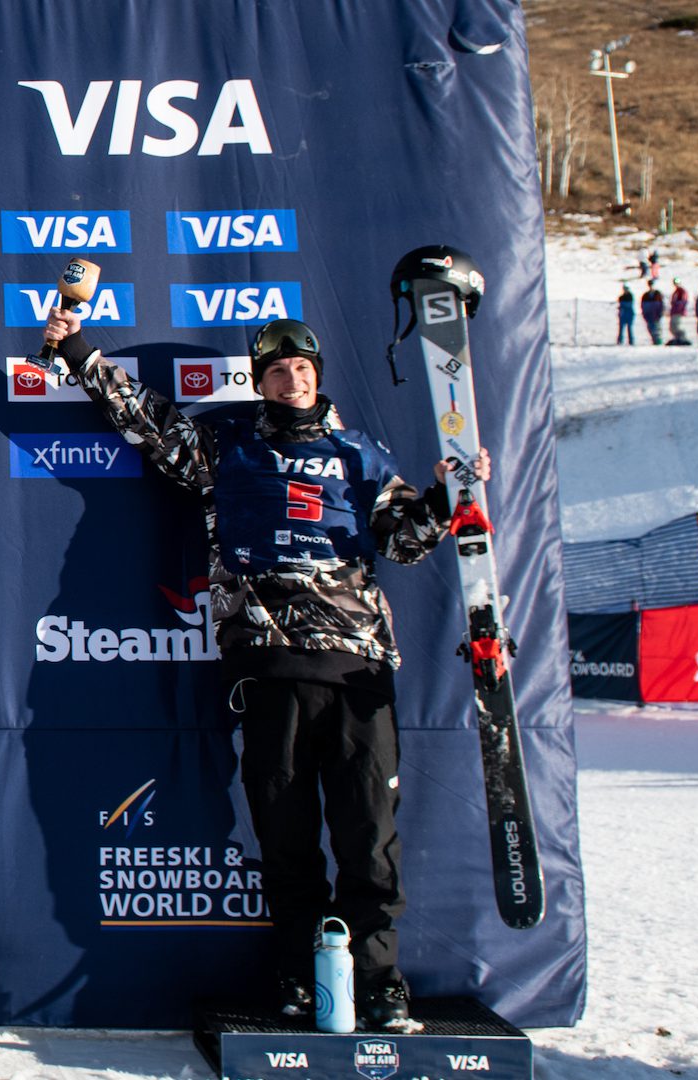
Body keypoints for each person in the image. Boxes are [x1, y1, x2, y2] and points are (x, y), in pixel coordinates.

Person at [42, 310, 492, 1035]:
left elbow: (405, 543)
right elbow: (148, 421)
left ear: (318, 377)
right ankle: (301, 973)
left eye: (303, 369)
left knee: (368, 832)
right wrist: (78, 351)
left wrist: (446, 500)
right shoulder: (227, 443)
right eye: (278, 371)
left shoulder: (358, 453)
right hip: (268, 660)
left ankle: (379, 982)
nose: (292, 380)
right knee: (284, 835)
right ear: (261, 381)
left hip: (357, 668)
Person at [668, 279, 691, 345]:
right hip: (674, 312)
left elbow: (683, 302)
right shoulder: (675, 292)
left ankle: (682, 338)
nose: (676, 284)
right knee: (672, 327)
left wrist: (678, 307)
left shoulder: (682, 291)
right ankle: (677, 338)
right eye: (675, 283)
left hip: (679, 312)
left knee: (676, 326)